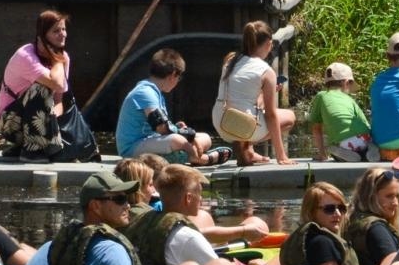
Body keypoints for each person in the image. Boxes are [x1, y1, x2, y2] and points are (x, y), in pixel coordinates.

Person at [45, 172, 204, 265]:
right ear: (95, 206)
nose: (128, 205)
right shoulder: (111, 251)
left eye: (127, 199)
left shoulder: (67, 241)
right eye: (119, 199)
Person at [124, 165, 257, 265]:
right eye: (199, 194)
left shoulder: (144, 221)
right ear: (188, 198)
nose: (201, 199)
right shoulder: (187, 237)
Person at [0, 9, 84, 162]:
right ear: (42, 36)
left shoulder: (64, 58)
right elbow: (56, 83)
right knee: (41, 88)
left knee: (69, 147)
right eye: (56, 31)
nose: (62, 34)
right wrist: (57, 59)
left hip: (34, 121)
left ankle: (28, 145)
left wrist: (52, 125)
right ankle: (31, 151)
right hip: (9, 122)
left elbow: (58, 100)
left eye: (63, 29)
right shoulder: (26, 56)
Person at [118, 48, 222, 166]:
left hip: (150, 141)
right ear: (173, 75)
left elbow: (163, 129)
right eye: (179, 78)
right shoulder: (145, 92)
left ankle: (181, 155)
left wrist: (177, 128)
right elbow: (161, 127)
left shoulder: (155, 92)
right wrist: (184, 136)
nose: (178, 82)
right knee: (177, 140)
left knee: (206, 137)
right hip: (132, 148)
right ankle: (200, 158)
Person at [213, 21, 295, 167]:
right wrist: (281, 156)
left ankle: (248, 152)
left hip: (220, 123)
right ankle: (246, 146)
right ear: (269, 44)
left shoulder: (230, 61)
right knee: (290, 117)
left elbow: (246, 99)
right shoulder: (265, 70)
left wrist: (264, 93)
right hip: (240, 125)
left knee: (247, 109)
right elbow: (270, 115)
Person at [275, 182, 359, 265]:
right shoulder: (324, 243)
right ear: (311, 212)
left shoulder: (308, 238)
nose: (338, 214)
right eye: (329, 209)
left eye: (341, 208)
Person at [342, 168, 399, 265]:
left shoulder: (352, 219)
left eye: (397, 196)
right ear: (371, 196)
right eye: (389, 196)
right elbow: (393, 262)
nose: (395, 202)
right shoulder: (377, 229)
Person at [309, 62, 372, 161]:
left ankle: (341, 154)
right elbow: (366, 124)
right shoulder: (350, 100)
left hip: (344, 143)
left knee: (332, 147)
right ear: (346, 82)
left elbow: (316, 129)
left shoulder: (321, 96)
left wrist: (322, 154)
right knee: (367, 141)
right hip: (365, 139)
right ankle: (369, 152)